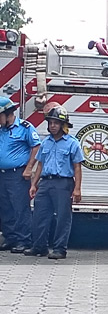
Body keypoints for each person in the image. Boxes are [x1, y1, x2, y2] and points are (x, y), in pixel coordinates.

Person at [24, 106, 84, 259]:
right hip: (45, 183)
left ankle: (59, 249)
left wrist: (77, 188)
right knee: (39, 215)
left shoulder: (72, 143)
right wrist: (34, 184)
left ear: (63, 125)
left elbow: (77, 167)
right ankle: (39, 247)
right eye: (50, 123)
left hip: (63, 184)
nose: (53, 126)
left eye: (56, 123)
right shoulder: (46, 142)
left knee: (63, 218)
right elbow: (40, 165)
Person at [0, 97, 40, 253]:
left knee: (20, 208)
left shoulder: (25, 127)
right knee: (5, 208)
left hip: (17, 175)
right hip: (2, 175)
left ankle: (24, 240)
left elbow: (36, 147)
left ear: (8, 113)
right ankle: (10, 238)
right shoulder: (1, 129)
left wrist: (29, 168)